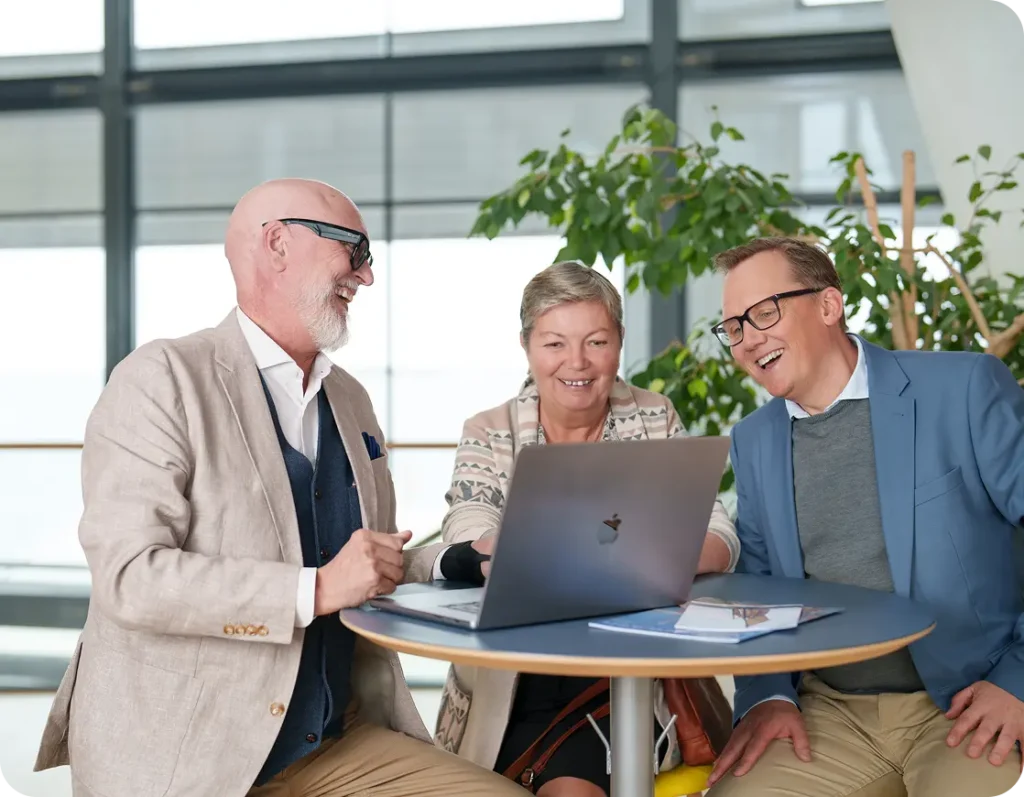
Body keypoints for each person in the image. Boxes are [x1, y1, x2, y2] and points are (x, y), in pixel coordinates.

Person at [33, 178, 530, 797]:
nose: (367, 276)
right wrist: (316, 589)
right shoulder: (160, 380)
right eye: (355, 249)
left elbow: (361, 562)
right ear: (276, 244)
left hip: (333, 742)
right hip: (194, 756)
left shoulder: (348, 398)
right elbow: (131, 578)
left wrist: (460, 561)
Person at [702, 236, 1024, 797]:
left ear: (829, 306)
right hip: (829, 712)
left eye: (764, 313)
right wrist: (770, 695)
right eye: (734, 327)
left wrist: (1018, 682)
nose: (749, 339)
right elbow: (758, 594)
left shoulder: (965, 388)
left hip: (970, 698)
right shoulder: (753, 441)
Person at [429, 260, 741, 797]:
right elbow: (470, 525)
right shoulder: (489, 429)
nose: (577, 362)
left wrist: (669, 553)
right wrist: (634, 551)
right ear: (527, 346)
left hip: (623, 675)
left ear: (619, 342)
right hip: (514, 675)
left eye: (596, 341)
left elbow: (717, 532)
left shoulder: (654, 417)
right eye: (554, 344)